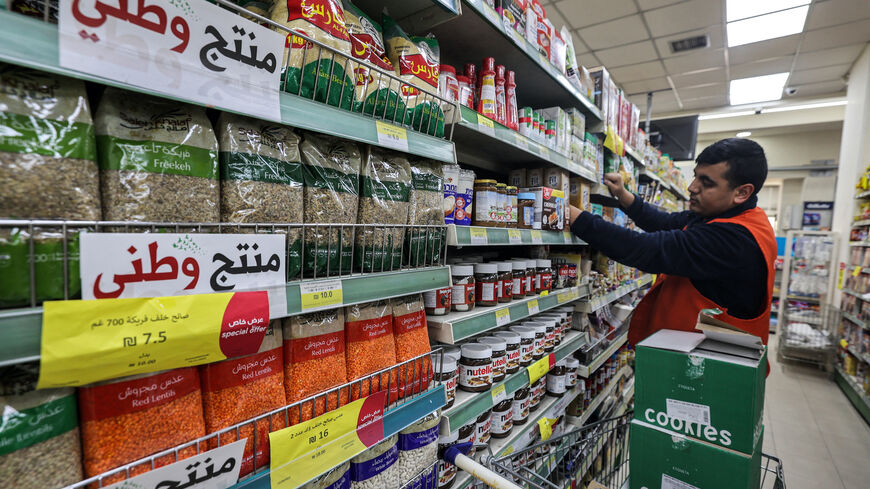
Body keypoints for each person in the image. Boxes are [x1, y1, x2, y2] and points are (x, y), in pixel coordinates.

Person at [568, 138, 777, 346]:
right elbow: (665, 222)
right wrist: (623, 195)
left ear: (742, 192)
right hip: (690, 348)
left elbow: (643, 249)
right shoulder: (724, 215)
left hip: (713, 364)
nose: (692, 188)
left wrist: (571, 215)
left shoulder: (735, 239)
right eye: (696, 177)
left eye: (707, 183)